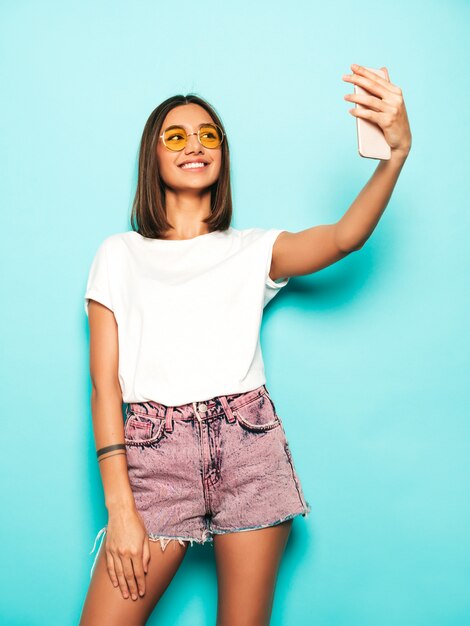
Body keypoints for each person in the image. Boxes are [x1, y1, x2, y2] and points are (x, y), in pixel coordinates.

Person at [80, 67, 411, 625]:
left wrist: (394, 156)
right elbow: (103, 386)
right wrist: (120, 507)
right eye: (176, 135)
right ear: (152, 155)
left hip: (247, 448)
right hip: (155, 457)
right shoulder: (118, 254)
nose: (195, 145)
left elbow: (343, 237)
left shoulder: (254, 249)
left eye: (209, 135)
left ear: (223, 154)